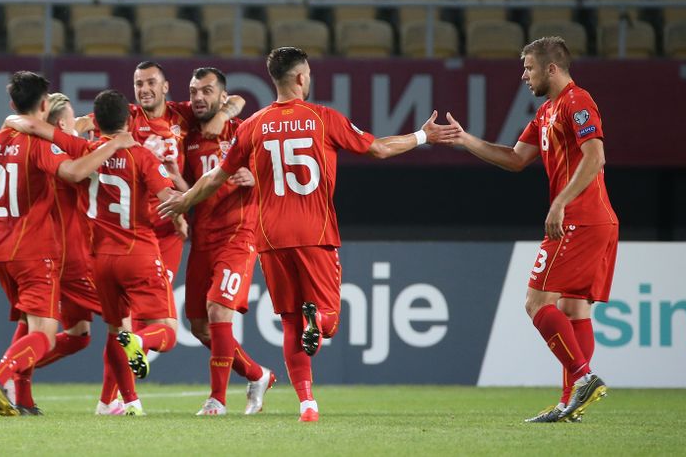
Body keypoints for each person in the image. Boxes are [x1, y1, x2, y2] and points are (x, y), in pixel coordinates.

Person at [158, 47, 460, 421]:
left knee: (289, 322)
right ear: (301, 77)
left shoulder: (253, 125)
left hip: (270, 239)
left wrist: (184, 200)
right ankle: (316, 320)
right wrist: (421, 136)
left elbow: (214, 176)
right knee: (325, 321)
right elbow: (379, 149)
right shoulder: (322, 118)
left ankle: (307, 404)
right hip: (314, 232)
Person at [441, 36, 617, 423]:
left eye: (529, 68)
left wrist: (560, 202)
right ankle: (571, 403)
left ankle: (583, 377)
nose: (524, 76)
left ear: (552, 68)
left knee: (536, 303)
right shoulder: (547, 112)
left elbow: (596, 156)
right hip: (589, 219)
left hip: (581, 219)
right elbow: (516, 158)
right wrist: (466, 140)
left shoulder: (577, 101)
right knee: (573, 308)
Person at [0, 72, 135, 417]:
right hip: (46, 252)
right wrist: (114, 144)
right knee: (69, 329)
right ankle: (5, 376)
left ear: (13, 104)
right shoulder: (42, 147)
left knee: (63, 331)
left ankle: (24, 394)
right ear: (45, 107)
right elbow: (75, 172)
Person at [5, 93, 125, 416]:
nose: (80, 124)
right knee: (123, 319)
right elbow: (80, 169)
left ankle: (17, 376)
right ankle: (109, 401)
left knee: (77, 334)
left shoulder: (38, 148)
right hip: (73, 256)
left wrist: (79, 126)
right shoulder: (67, 155)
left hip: (50, 250)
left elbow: (50, 129)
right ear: (60, 124)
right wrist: (108, 144)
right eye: (72, 120)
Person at [181, 67, 276, 416]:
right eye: (193, 92)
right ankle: (256, 374)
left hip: (238, 234)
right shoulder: (186, 134)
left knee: (218, 309)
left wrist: (257, 177)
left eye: (206, 91)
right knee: (199, 326)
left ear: (222, 97)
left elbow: (277, 174)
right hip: (202, 237)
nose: (198, 98)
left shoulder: (246, 131)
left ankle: (216, 400)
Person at [128, 61, 245, 282]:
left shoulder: (182, 115)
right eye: (138, 83)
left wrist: (221, 117)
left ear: (165, 87)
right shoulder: (129, 118)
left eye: (151, 82)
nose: (144, 89)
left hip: (170, 228)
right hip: (135, 225)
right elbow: (92, 120)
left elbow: (237, 100)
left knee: (156, 300)